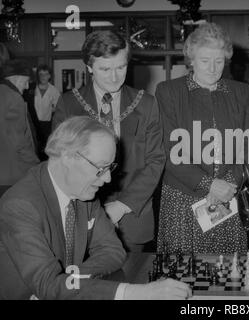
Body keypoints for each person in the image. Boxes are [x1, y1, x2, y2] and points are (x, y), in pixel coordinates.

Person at [0, 116, 191, 300]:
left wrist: (67, 282)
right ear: (67, 157)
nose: (107, 178)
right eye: (101, 168)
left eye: (110, 168)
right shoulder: (20, 206)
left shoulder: (84, 193)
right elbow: (47, 285)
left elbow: (113, 251)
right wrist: (137, 294)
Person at [53, 30, 166, 252]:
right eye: (105, 69)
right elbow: (59, 163)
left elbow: (156, 161)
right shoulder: (68, 104)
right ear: (88, 66)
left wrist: (122, 206)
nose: (114, 77)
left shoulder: (147, 105)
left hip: (131, 218)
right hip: (80, 217)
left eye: (121, 67)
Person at [155, 22, 249, 254]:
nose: (212, 68)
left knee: (228, 274)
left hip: (228, 195)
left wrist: (229, 184)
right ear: (191, 60)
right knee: (182, 273)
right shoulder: (169, 91)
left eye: (219, 61)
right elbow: (169, 149)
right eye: (204, 61)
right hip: (183, 197)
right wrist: (209, 184)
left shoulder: (242, 92)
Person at [0, 59, 40, 196]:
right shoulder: (13, 98)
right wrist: (37, 166)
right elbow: (19, 142)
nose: (27, 86)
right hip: (13, 174)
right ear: (16, 78)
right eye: (25, 81)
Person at [33, 64, 61, 153]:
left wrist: (52, 110)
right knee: (34, 146)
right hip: (33, 123)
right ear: (37, 75)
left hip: (46, 124)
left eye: (46, 74)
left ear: (49, 76)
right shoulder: (31, 89)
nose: (43, 77)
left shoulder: (54, 90)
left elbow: (59, 107)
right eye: (41, 74)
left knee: (45, 148)